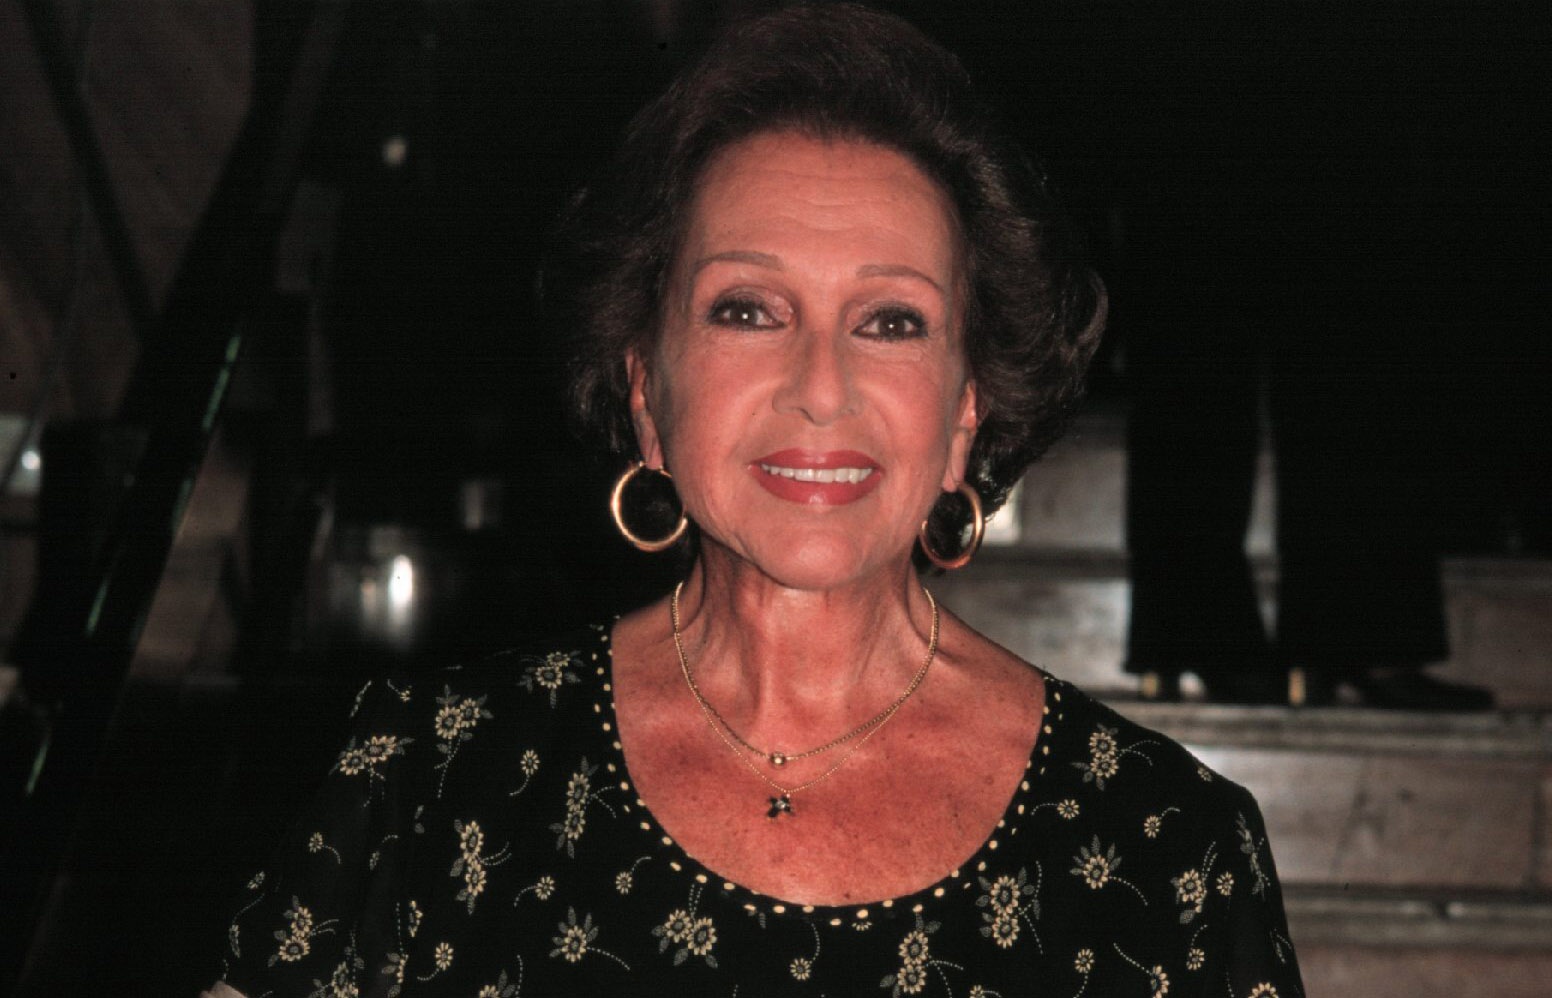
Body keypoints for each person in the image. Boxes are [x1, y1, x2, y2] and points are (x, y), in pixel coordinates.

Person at [208, 6, 1305, 996]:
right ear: (647, 390)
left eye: (890, 321)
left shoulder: (1166, 846)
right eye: (747, 309)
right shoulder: (433, 776)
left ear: (966, 410)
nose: (820, 386)